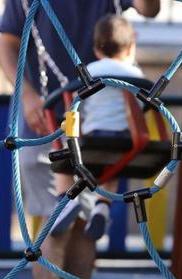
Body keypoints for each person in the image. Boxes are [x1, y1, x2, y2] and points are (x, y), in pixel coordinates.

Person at [0, 0, 160, 279]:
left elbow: (150, 9)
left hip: (96, 128)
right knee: (55, 227)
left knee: (85, 227)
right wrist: (26, 94)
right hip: (48, 118)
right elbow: (8, 42)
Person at [51, 14, 144, 241]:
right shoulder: (136, 75)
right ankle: (101, 206)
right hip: (126, 143)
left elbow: (76, 106)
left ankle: (65, 202)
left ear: (96, 49)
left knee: (63, 160)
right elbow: (141, 106)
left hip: (91, 140)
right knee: (111, 168)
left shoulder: (89, 71)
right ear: (131, 47)